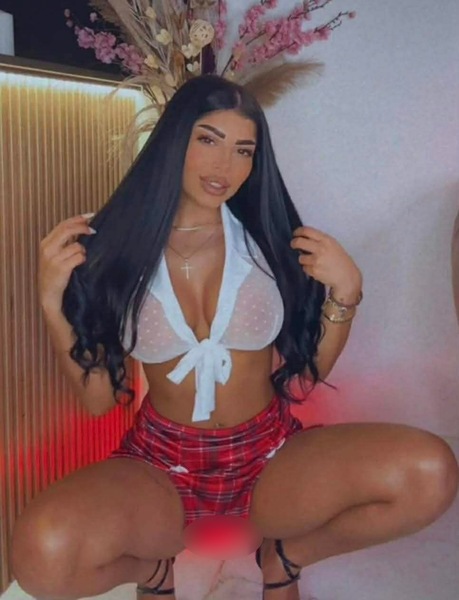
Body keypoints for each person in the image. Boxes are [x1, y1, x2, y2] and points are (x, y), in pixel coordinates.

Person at [11, 75, 459, 600]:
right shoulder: (113, 251)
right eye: (209, 140)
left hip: (270, 455)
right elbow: (98, 400)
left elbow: (308, 375)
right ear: (173, 140)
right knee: (41, 557)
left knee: (431, 473)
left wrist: (347, 292)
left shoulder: (271, 242)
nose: (225, 166)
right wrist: (52, 304)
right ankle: (155, 572)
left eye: (244, 150)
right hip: (161, 464)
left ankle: (284, 557)